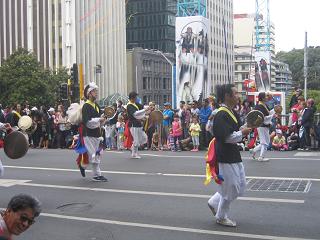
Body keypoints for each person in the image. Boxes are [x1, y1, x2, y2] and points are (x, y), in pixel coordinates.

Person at [207, 84, 252, 227]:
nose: (238, 96)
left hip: (233, 153)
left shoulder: (231, 112)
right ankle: (221, 216)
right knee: (232, 187)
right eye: (235, 93)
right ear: (227, 96)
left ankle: (214, 202)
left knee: (240, 184)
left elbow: (234, 130)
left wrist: (244, 128)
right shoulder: (221, 113)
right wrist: (242, 133)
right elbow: (225, 137)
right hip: (225, 154)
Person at [81, 82, 108, 182]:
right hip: (88, 134)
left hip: (97, 133)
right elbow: (87, 122)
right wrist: (99, 120)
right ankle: (97, 175)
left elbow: (99, 121)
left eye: (96, 91)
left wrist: (103, 119)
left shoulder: (96, 105)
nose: (96, 93)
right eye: (94, 91)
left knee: (96, 154)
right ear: (89, 93)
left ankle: (83, 166)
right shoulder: (86, 106)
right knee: (93, 155)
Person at [250, 92, 275, 162]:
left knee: (265, 141)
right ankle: (261, 157)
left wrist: (274, 111)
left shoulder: (263, 105)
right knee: (264, 142)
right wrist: (272, 115)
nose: (267, 97)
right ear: (263, 98)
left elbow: (268, 113)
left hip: (264, 125)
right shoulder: (259, 106)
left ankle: (253, 150)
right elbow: (263, 117)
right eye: (266, 96)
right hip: (262, 125)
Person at [126, 91, 149, 158]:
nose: (136, 98)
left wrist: (149, 107)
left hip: (138, 124)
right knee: (136, 140)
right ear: (132, 98)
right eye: (135, 97)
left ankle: (132, 148)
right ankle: (134, 153)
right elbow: (135, 113)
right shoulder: (129, 105)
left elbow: (143, 106)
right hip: (133, 124)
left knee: (144, 138)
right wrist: (145, 110)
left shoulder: (135, 104)